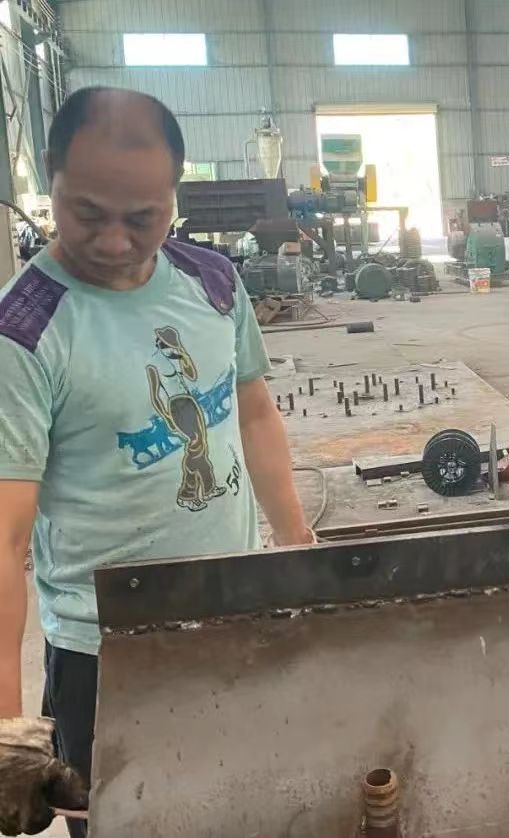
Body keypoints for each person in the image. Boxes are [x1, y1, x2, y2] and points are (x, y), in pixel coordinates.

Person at [0, 87, 313, 836]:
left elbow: (254, 412)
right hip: (109, 656)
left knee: (248, 810)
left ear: (175, 194)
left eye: (142, 218)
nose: (114, 242)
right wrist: (8, 729)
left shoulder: (213, 282)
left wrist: (297, 546)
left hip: (232, 612)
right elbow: (5, 541)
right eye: (87, 214)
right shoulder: (25, 333)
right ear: (50, 181)